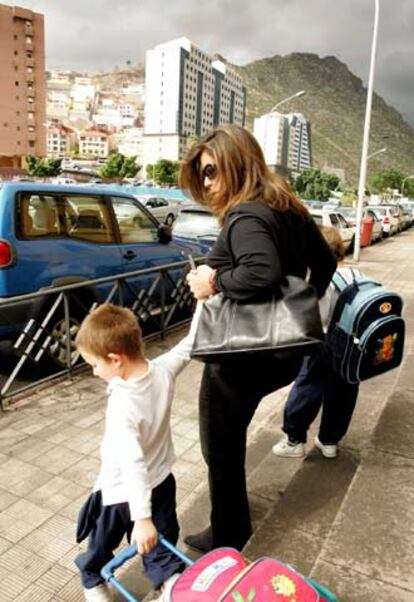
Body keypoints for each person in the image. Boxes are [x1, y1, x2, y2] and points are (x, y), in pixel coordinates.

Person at [180, 124, 337, 553]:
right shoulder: (288, 207)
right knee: (230, 439)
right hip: (282, 355)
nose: (207, 182)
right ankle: (232, 518)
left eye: (211, 171)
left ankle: (228, 533)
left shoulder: (246, 213)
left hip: (239, 358)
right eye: (203, 174)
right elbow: (324, 264)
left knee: (220, 445)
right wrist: (299, 304)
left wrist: (214, 284)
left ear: (236, 162)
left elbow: (258, 272)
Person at [74, 303, 200, 602]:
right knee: (106, 542)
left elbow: (133, 464)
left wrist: (141, 518)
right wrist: (205, 304)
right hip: (138, 485)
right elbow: (190, 344)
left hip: (127, 489)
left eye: (93, 364)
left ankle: (169, 582)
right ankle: (92, 578)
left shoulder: (122, 405)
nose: (94, 372)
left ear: (115, 359)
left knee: (157, 535)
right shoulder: (162, 369)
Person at [272, 226, 360, 460]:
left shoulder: (325, 281)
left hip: (324, 345)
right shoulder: (358, 275)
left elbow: (317, 319)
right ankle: (329, 441)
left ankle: (294, 440)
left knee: (307, 388)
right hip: (353, 347)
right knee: (343, 393)